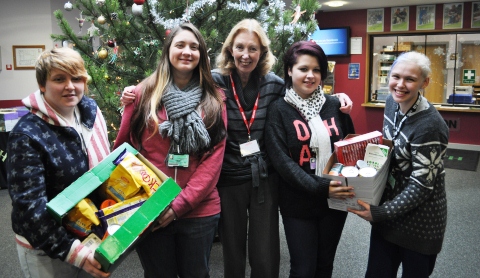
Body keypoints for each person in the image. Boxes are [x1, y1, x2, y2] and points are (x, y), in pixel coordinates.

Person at [120, 18, 353, 277]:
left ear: (262, 52)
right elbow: (173, 87)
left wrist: (337, 98)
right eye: (240, 47)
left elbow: (304, 89)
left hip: (264, 175)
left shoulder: (274, 83)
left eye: (253, 49)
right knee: (233, 250)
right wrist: (134, 92)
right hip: (228, 175)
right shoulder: (213, 82)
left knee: (265, 254)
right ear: (230, 49)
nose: (246, 55)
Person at [113, 22, 227, 277]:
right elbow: (124, 149)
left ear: (201, 55)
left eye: (194, 47)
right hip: (151, 209)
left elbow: (213, 161)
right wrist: (128, 108)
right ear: (168, 51)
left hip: (199, 211)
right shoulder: (144, 93)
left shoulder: (214, 99)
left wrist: (178, 206)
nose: (187, 51)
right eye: (180, 45)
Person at [7, 47, 111, 278]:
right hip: (48, 249)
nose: (70, 86)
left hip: (90, 235)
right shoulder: (27, 134)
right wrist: (76, 255)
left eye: (76, 78)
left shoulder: (91, 113)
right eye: (59, 79)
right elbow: (30, 210)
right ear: (42, 85)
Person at [348, 51, 449, 278]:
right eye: (396, 76)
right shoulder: (391, 104)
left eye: (410, 79)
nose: (400, 85)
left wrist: (381, 212)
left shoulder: (430, 125)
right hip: (390, 213)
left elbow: (422, 186)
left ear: (425, 82)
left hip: (420, 222)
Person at [265, 41, 356, 278]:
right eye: (303, 69)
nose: (310, 76)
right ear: (289, 70)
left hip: (335, 202)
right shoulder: (278, 110)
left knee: (325, 265)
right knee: (303, 269)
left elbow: (350, 149)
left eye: (316, 70)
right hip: (299, 203)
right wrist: (323, 187)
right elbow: (282, 163)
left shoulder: (336, 105)